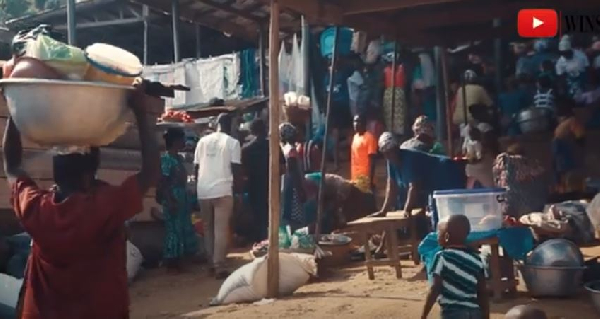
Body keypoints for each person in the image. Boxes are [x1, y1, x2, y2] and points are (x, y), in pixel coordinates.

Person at [5, 86, 160, 319]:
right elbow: (150, 171)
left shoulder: (35, 207)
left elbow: (11, 165)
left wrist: (16, 106)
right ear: (88, 176)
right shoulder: (104, 206)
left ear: (56, 175)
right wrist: (140, 112)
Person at [194, 113, 242, 279]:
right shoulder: (233, 143)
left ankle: (211, 263)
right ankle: (219, 265)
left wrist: (198, 187)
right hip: (223, 189)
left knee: (208, 228)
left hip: (204, 190)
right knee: (221, 228)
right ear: (230, 125)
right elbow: (236, 170)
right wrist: (238, 192)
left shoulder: (202, 142)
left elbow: (196, 167)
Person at [421, 215, 489, 319]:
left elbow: (435, 288)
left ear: (446, 237)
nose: (437, 236)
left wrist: (424, 314)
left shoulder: (442, 257)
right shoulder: (477, 259)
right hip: (475, 312)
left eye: (438, 233)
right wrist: (485, 316)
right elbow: (482, 292)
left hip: (453, 312)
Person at [158, 128, 198, 272]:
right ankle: (171, 261)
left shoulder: (178, 158)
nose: (183, 142)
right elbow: (164, 182)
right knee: (173, 230)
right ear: (175, 141)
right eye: (181, 139)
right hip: (173, 196)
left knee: (182, 227)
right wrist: (170, 200)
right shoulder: (166, 159)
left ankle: (181, 258)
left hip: (182, 196)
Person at [241, 119, 270, 242]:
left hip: (253, 186)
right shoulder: (272, 145)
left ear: (252, 131)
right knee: (269, 213)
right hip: (270, 185)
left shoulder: (246, 149)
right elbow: (283, 168)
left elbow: (243, 171)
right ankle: (267, 238)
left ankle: (259, 240)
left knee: (256, 213)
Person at [280, 123, 310, 232]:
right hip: (293, 188)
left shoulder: (284, 149)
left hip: (287, 186)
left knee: (288, 216)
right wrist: (300, 190)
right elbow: (293, 172)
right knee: (295, 219)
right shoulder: (291, 151)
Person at [552, 99, 586, 194]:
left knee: (564, 174)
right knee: (565, 174)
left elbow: (580, 137)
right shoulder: (569, 122)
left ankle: (565, 191)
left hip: (562, 151)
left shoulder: (567, 123)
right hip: (562, 151)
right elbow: (580, 137)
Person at [350, 115, 378, 193]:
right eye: (354, 121)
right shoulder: (355, 137)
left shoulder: (369, 138)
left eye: (358, 122)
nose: (356, 124)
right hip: (355, 177)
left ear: (364, 124)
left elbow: (372, 161)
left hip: (365, 178)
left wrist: (371, 180)